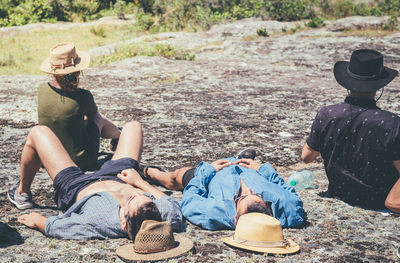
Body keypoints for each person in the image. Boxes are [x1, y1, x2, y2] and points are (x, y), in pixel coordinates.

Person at [7, 122, 183, 240]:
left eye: (131, 199)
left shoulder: (98, 222)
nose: (137, 194)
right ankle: (111, 142)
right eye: (145, 196)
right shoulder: (160, 216)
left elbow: (58, 228)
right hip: (119, 175)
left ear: (123, 223)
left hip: (75, 185)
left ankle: (21, 192)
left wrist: (38, 220)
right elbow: (170, 203)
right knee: (133, 126)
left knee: (38, 132)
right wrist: (140, 183)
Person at [301, 49, 400, 210]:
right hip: (380, 198)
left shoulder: (327, 114)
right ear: (379, 87)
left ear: (347, 82)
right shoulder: (392, 124)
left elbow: (306, 157)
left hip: (342, 193)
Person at [140, 148, 304, 230]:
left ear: (235, 219)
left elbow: (189, 198)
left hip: (212, 175)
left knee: (176, 177)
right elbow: (286, 189)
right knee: (248, 165)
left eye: (242, 197)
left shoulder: (212, 213)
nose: (248, 191)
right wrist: (262, 169)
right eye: (258, 195)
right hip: (250, 170)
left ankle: (148, 171)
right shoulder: (290, 210)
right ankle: (243, 159)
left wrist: (207, 172)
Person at [38, 42, 120, 171]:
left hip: (49, 158)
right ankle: (118, 137)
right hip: (80, 162)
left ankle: (117, 136)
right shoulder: (83, 96)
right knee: (97, 117)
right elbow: (94, 117)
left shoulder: (42, 89)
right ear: (77, 70)